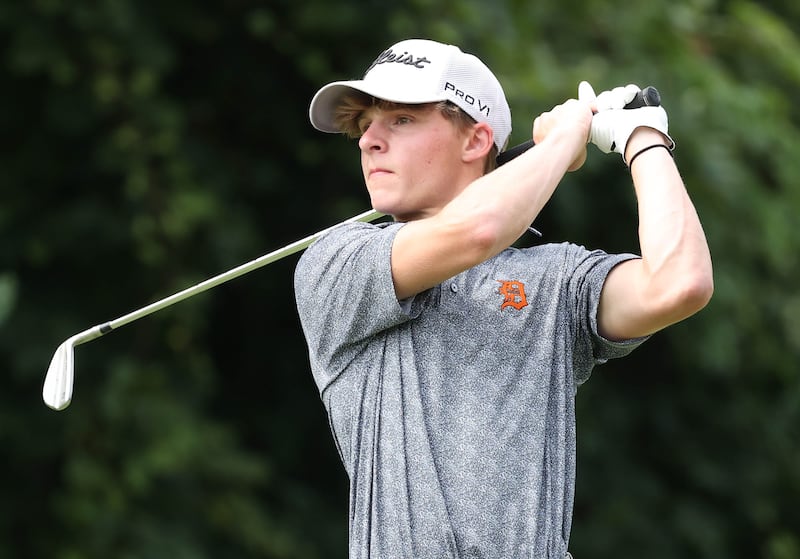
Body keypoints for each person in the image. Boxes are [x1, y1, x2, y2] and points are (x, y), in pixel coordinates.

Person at [293, 38, 713, 559]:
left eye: (400, 120)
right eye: (364, 126)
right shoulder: (337, 262)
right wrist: (564, 141)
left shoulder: (556, 279)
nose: (368, 141)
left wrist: (643, 137)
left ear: (476, 141)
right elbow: (478, 230)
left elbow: (680, 283)